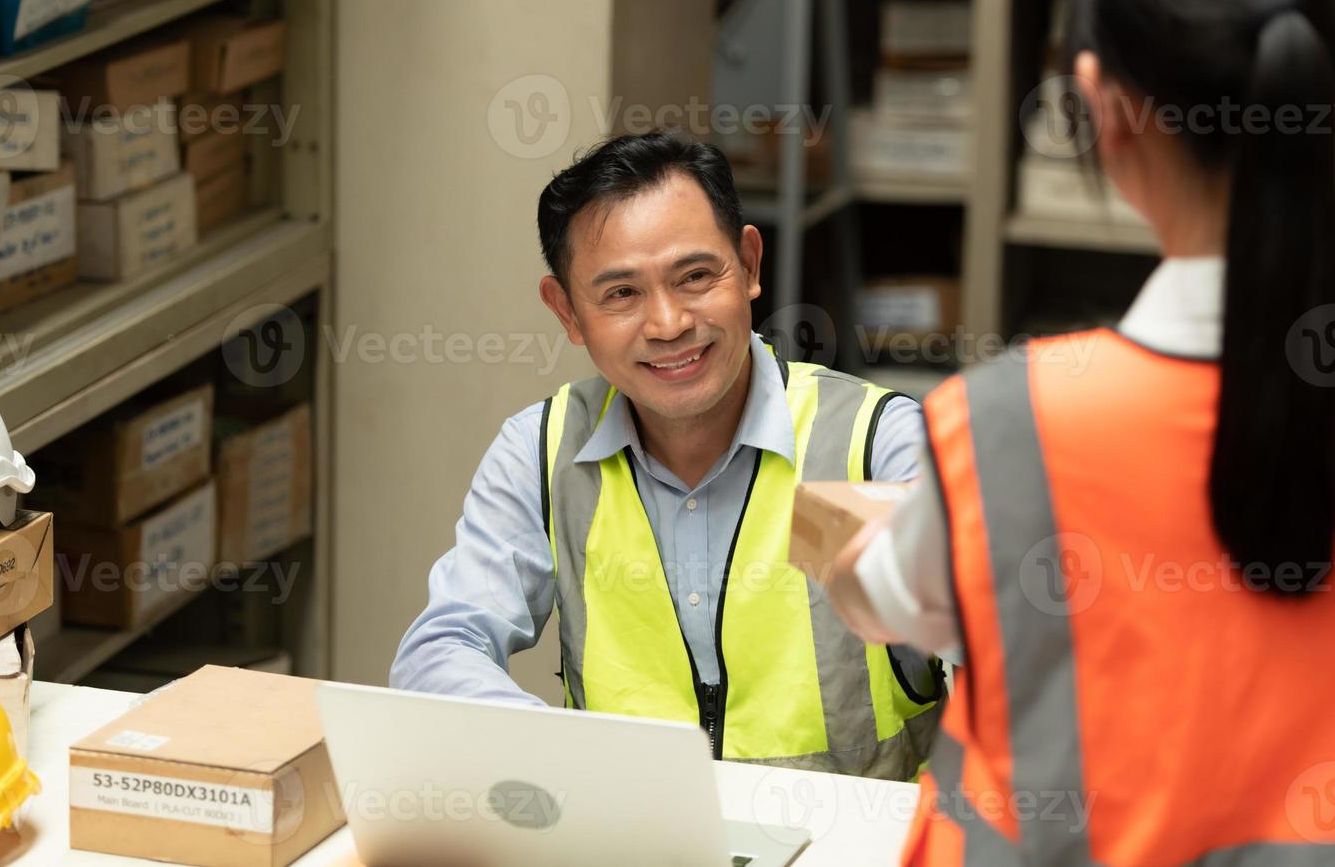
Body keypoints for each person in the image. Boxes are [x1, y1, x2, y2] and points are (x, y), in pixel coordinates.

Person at [827, 0, 1335, 860]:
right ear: (1333, 96)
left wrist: (845, 543)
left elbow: (893, 594)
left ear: (1102, 104)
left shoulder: (1006, 422)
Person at [392, 130, 945, 779]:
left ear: (749, 265)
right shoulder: (543, 454)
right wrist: (552, 755)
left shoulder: (874, 443)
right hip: (634, 839)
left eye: (695, 276)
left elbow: (1000, 645)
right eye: (621, 294)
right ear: (567, 311)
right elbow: (441, 647)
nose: (668, 324)